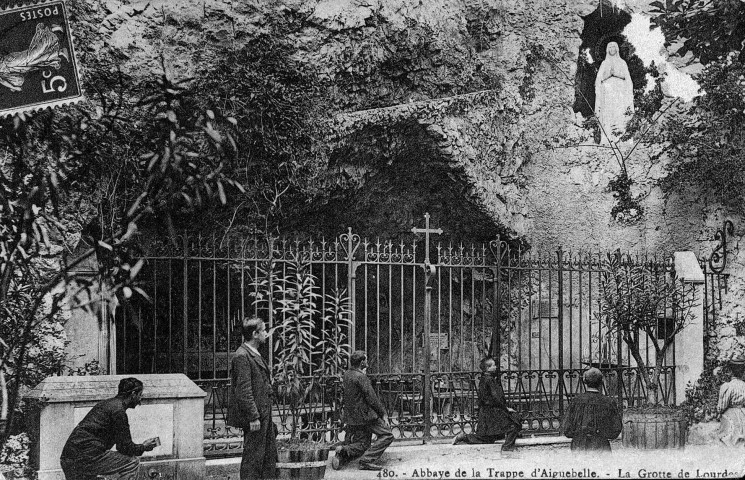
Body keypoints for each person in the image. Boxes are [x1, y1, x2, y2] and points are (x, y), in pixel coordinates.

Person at [60, 377, 158, 480]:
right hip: (84, 460)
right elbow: (125, 447)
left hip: (68, 459)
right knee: (132, 462)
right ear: (133, 394)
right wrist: (144, 446)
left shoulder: (106, 404)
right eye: (140, 395)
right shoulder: (118, 412)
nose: (140, 400)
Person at [227, 317, 277, 479]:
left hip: (264, 412)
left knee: (266, 455)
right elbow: (243, 390)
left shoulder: (253, 353)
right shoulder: (242, 356)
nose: (265, 333)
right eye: (263, 330)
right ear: (255, 334)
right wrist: (253, 417)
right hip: (256, 415)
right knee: (253, 457)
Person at [332, 350, 394, 471]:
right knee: (387, 435)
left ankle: (342, 452)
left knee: (363, 444)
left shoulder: (347, 374)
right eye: (365, 360)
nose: (367, 363)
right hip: (365, 416)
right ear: (361, 363)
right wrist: (383, 414)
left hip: (352, 416)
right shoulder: (361, 377)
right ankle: (366, 461)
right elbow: (372, 399)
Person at [452, 357, 522, 451]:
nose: (496, 367)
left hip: (486, 412)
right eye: (494, 365)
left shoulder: (484, 379)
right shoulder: (490, 380)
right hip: (494, 411)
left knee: (488, 438)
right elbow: (497, 398)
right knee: (514, 424)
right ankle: (507, 448)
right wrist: (506, 409)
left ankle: (464, 437)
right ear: (488, 368)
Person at [561, 368, 623, 452]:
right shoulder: (608, 402)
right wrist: (600, 434)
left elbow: (566, 428)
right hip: (601, 446)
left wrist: (579, 434)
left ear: (584, 381)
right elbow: (616, 429)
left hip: (579, 446)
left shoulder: (576, 401)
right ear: (601, 382)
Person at [595, 41, 634, 142]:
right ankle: (608, 137)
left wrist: (615, 74)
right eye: (610, 47)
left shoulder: (622, 62)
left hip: (619, 91)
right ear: (608, 50)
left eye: (614, 47)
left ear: (617, 49)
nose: (612, 49)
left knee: (619, 111)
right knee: (608, 112)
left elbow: (627, 77)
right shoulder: (604, 63)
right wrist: (609, 75)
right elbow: (599, 78)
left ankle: (620, 137)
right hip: (607, 92)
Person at [716, 358, 745, 446]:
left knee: (727, 439)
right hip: (742, 413)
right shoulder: (744, 385)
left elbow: (722, 406)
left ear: (731, 371)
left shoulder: (728, 386)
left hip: (730, 414)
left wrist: (719, 412)